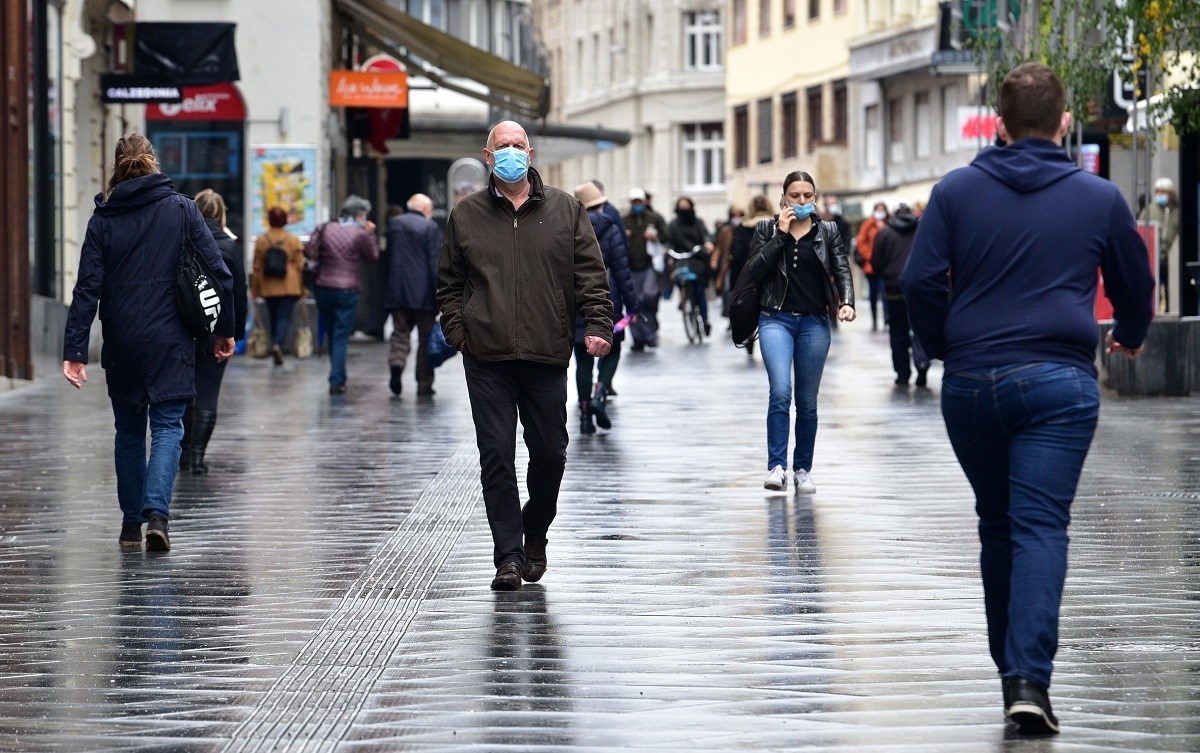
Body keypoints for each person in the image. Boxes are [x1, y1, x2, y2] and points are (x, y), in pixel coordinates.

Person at [902, 62, 1155, 735]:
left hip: (973, 384)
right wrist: (1128, 335)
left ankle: (1009, 671)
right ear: (1064, 122)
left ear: (1001, 123)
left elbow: (920, 281)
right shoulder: (1096, 197)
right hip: (1057, 383)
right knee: (1040, 525)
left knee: (997, 523)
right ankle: (1028, 679)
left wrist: (947, 346)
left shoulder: (955, 192)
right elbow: (1136, 285)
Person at [438, 120, 613, 591]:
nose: (511, 152)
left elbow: (590, 277)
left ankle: (535, 533)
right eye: (503, 146)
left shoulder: (567, 209)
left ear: (530, 153)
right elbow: (450, 284)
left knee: (551, 454)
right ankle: (509, 557)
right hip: (486, 355)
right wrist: (460, 332)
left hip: (545, 352)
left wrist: (598, 325)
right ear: (489, 154)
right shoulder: (466, 215)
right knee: (496, 456)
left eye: (519, 145)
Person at [62, 133, 235, 552]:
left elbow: (87, 289)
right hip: (170, 336)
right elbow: (220, 272)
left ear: (116, 168)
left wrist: (75, 350)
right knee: (167, 426)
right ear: (154, 162)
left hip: (121, 337)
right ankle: (158, 515)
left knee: (127, 430)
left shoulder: (102, 219)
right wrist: (223, 329)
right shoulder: (181, 209)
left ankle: (128, 525)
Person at [741, 171, 855, 494]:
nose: (802, 201)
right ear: (784, 198)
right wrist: (780, 234)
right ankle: (776, 466)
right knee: (780, 391)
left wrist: (846, 302)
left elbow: (842, 269)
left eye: (808, 195)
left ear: (815, 197)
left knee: (806, 401)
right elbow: (754, 270)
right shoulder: (765, 228)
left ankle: (803, 469)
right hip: (775, 319)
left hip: (814, 323)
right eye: (795, 196)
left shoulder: (828, 231)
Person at [180, 189, 247, 474]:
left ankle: (181, 452)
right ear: (221, 215)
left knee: (182, 391)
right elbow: (238, 292)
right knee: (207, 392)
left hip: (182, 326)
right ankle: (197, 457)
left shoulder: (182, 241)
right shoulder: (229, 246)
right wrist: (235, 331)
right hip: (216, 328)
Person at [573, 181, 640, 434]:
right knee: (612, 349)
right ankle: (601, 394)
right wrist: (633, 306)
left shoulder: (569, 229)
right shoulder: (611, 229)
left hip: (576, 301)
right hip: (608, 299)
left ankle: (583, 415)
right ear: (601, 204)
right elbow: (622, 271)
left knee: (582, 360)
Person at [305, 195, 380, 395]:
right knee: (340, 335)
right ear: (359, 214)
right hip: (347, 289)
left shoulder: (325, 227)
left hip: (323, 286)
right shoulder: (360, 234)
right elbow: (373, 257)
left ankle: (336, 374)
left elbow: (310, 250)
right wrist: (371, 235)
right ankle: (337, 380)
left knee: (332, 332)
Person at [384, 192, 441, 396]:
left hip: (398, 288)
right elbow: (434, 263)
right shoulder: (430, 227)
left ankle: (397, 362)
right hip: (423, 292)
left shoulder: (395, 224)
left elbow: (389, 256)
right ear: (425, 210)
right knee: (426, 338)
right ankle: (424, 383)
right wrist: (439, 293)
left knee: (400, 332)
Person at [869, 203, 928, 386]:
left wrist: (886, 274)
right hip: (919, 288)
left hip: (894, 288)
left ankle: (902, 373)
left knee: (898, 332)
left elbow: (876, 262)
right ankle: (922, 362)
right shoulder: (923, 230)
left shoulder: (885, 233)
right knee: (920, 329)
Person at [251, 206, 306, 366]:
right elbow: (300, 266)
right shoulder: (293, 239)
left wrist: (255, 289)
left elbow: (257, 266)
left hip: (268, 284)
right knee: (284, 316)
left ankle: (276, 343)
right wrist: (303, 289)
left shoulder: (262, 239)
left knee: (273, 315)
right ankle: (278, 344)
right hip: (290, 284)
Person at [623, 187, 669, 350]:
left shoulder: (654, 218)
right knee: (633, 302)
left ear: (644, 202)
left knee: (648, 298)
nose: (637, 205)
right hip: (630, 265)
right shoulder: (624, 220)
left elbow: (666, 236)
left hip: (649, 263)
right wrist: (624, 236)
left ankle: (650, 334)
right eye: (634, 202)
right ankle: (637, 338)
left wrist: (655, 236)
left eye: (639, 202)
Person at [665, 196, 714, 336]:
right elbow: (669, 241)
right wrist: (668, 252)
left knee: (699, 290)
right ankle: (683, 296)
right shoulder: (673, 225)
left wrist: (707, 243)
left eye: (686, 206)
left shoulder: (698, 223)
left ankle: (705, 320)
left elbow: (706, 235)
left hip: (696, 258)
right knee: (678, 278)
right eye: (682, 207)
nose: (684, 210)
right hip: (680, 258)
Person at [1138, 177, 1179, 310]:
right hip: (1153, 256)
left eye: (1163, 192)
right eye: (1157, 192)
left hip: (1171, 256)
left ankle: (1169, 309)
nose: (1160, 195)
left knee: (1169, 286)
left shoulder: (1178, 211)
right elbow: (1140, 230)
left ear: (1170, 193)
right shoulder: (1150, 210)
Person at [855, 201, 890, 331]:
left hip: (885, 265)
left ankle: (887, 318)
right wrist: (870, 256)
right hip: (870, 266)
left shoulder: (888, 224)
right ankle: (874, 319)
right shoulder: (868, 224)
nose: (880, 212)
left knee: (885, 293)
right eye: (878, 209)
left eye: (882, 209)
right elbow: (861, 242)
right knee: (873, 294)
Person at [712, 205, 745, 316]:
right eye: (734, 216)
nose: (737, 218)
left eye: (739, 216)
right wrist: (714, 260)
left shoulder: (746, 230)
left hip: (743, 264)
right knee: (728, 290)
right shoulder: (726, 231)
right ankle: (730, 315)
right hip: (729, 265)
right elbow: (719, 247)